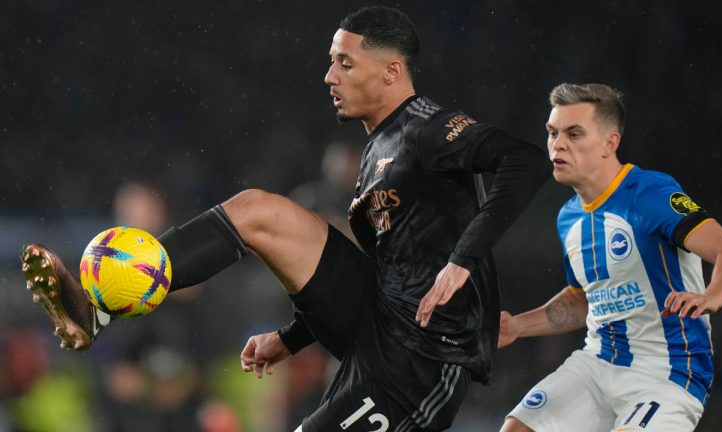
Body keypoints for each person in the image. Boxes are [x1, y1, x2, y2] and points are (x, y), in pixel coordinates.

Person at [20, 6, 550, 431]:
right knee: (257, 210)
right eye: (331, 61)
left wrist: (463, 259)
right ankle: (100, 310)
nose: (329, 76)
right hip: (381, 321)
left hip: (422, 362)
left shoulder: (428, 128)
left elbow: (524, 160)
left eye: (344, 62)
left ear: (392, 70)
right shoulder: (377, 152)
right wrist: (294, 337)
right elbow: (388, 265)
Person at [497, 83, 722, 432]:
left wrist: (711, 296)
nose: (558, 144)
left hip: (667, 371)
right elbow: (585, 300)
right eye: (553, 133)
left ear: (609, 143)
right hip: (597, 363)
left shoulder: (650, 193)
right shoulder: (569, 218)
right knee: (516, 428)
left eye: (574, 133)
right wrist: (517, 326)